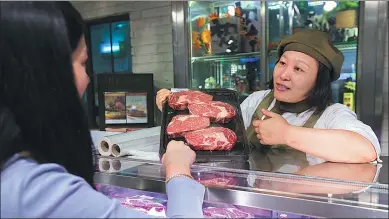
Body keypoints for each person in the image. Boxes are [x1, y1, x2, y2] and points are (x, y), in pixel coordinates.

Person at [0, 2, 204, 218]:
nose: (88, 78)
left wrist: (111, 137)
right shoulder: (37, 192)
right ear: (42, 74)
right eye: (82, 63)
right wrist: (178, 170)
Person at [157, 29, 381, 164]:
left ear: (319, 80)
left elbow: (366, 150)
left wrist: (288, 134)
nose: (284, 75)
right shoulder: (259, 100)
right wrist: (176, 108)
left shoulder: (332, 115)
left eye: (298, 69)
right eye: (282, 63)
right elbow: (216, 129)